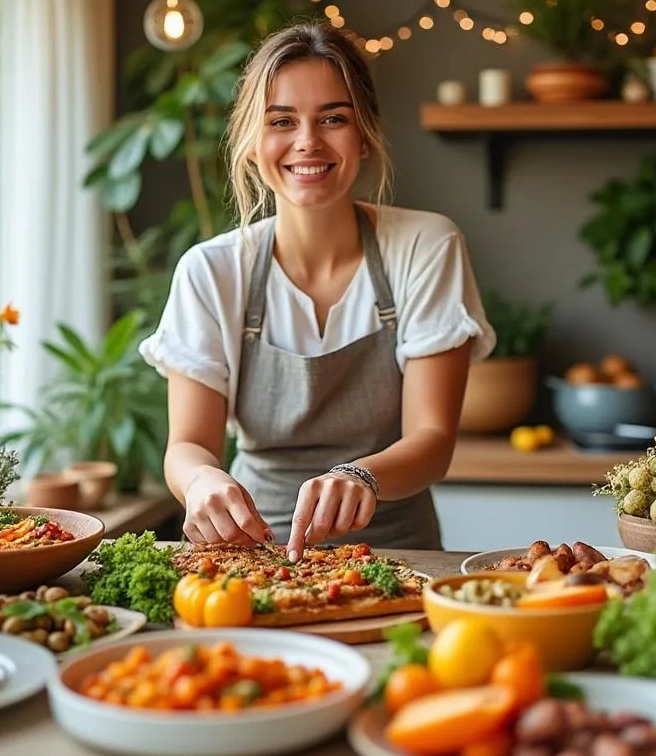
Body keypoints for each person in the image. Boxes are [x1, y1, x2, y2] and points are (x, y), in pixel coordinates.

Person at [139, 21, 495, 561]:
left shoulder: (425, 245)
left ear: (365, 135)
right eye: (281, 121)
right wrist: (201, 483)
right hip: (251, 548)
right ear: (253, 144)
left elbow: (433, 440)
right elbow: (187, 447)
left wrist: (360, 477)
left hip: (399, 552)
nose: (308, 140)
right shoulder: (210, 271)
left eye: (333, 118)